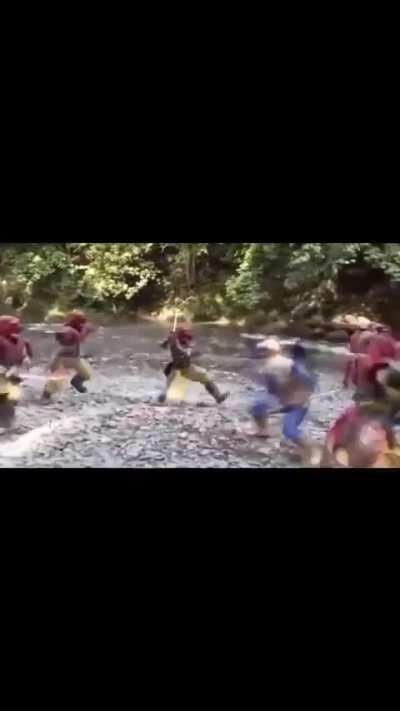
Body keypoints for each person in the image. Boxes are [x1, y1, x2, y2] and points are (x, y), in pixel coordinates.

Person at [250, 339, 318, 460]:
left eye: (263, 351)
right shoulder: (285, 363)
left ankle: (311, 450)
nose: (261, 353)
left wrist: (283, 399)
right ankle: (264, 431)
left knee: (289, 430)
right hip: (291, 399)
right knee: (259, 407)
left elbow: (274, 387)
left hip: (296, 402)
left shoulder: (273, 365)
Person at [158, 326, 229, 405]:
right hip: (179, 370)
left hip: (181, 369)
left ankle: (218, 397)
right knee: (168, 387)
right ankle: (162, 397)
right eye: (187, 340)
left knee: (204, 376)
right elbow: (181, 352)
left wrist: (169, 339)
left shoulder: (176, 345)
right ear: (183, 340)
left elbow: (164, 346)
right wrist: (170, 339)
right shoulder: (177, 346)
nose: (189, 342)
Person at [42, 311, 95, 402]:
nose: (81, 323)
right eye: (79, 321)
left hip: (74, 358)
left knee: (86, 374)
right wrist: (84, 330)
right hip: (62, 359)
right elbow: (72, 339)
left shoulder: (78, 327)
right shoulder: (66, 329)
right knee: (57, 382)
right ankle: (45, 396)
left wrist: (86, 329)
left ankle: (76, 383)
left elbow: (87, 332)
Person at [0, 316, 33, 423]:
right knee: (4, 398)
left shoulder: (21, 341)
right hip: (4, 373)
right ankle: (6, 421)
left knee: (12, 398)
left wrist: (25, 360)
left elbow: (26, 356)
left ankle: (8, 421)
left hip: (13, 373)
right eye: (13, 326)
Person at [343, 317, 374, 389]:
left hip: (354, 355)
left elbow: (351, 350)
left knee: (350, 366)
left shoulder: (354, 335)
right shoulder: (369, 335)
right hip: (362, 357)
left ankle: (346, 381)